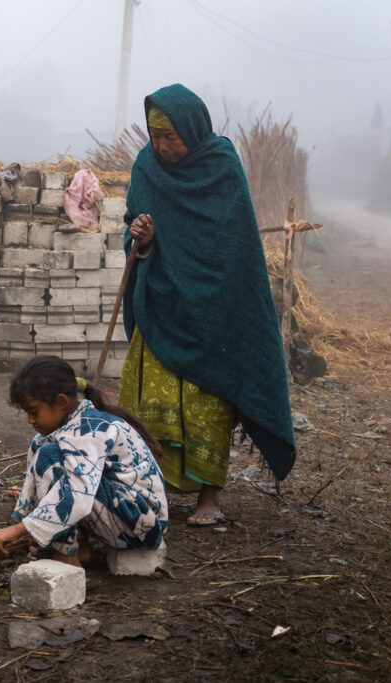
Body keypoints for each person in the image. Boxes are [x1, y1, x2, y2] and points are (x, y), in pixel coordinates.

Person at [118, 84, 296, 526]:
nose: (161, 146)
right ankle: (145, 495)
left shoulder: (221, 166)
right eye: (155, 136)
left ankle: (209, 499)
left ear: (193, 130)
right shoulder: (147, 167)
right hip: (160, 308)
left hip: (212, 315)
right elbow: (135, 231)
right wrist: (141, 237)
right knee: (148, 403)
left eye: (170, 137)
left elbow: (234, 247)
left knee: (208, 406)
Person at [0, 355, 168, 568]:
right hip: (122, 514)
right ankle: (81, 547)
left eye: (34, 411)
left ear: (61, 402)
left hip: (140, 525)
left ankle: (67, 557)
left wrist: (18, 529)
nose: (30, 420)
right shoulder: (63, 430)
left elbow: (78, 495)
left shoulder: (87, 432)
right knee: (43, 448)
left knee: (51, 458)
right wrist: (31, 528)